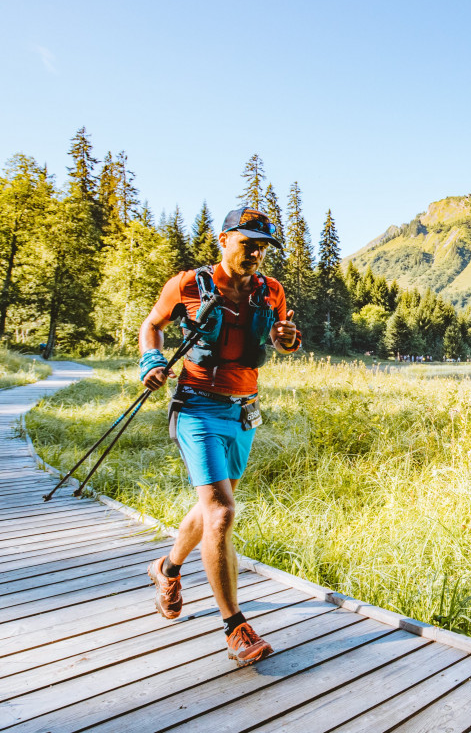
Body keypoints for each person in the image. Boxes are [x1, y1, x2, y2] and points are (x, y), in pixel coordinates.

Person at [139, 207, 301, 666]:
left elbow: (277, 340)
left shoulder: (271, 291)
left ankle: (167, 569)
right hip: (197, 407)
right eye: (247, 242)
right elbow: (153, 325)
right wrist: (152, 363)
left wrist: (287, 337)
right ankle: (236, 628)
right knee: (224, 513)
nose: (255, 253)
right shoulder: (189, 284)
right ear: (222, 239)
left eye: (262, 246)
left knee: (212, 507)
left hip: (245, 409)